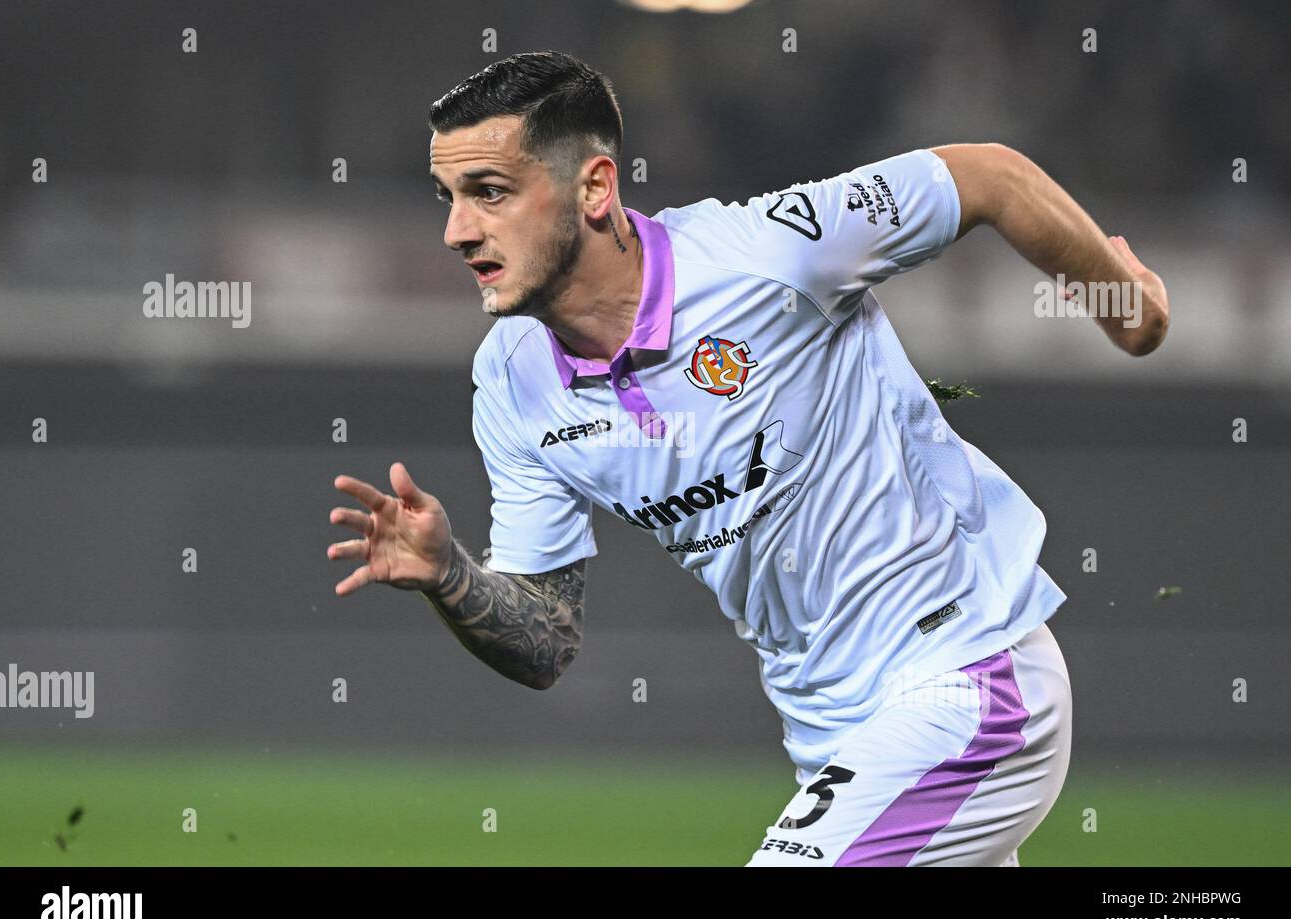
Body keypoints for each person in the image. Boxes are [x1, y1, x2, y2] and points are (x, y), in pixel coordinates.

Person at [325, 50, 1168, 866]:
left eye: (489, 193)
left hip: (966, 676)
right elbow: (545, 641)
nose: (455, 230)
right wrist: (450, 577)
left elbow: (985, 176)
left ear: (594, 188)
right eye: (449, 197)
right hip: (830, 735)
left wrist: (1127, 310)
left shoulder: (766, 253)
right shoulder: (512, 382)